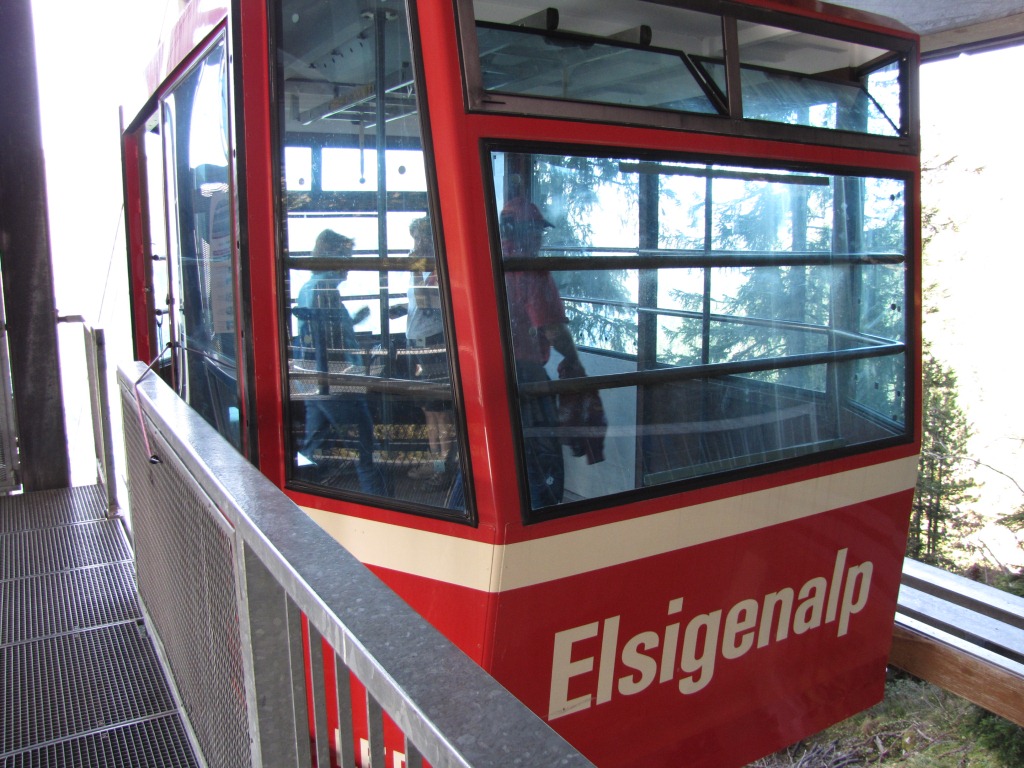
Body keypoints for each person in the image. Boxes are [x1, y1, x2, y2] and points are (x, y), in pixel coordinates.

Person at [501, 197, 605, 509]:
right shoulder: (530, 271)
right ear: (518, 231)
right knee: (541, 461)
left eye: (540, 231)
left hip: (488, 375)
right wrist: (574, 359)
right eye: (534, 231)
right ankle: (541, 522)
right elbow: (551, 328)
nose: (540, 238)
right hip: (527, 376)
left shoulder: (486, 263)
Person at [295, 229, 385, 495]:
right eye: (346, 257)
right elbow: (329, 344)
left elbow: (317, 334)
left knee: (311, 447)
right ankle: (377, 501)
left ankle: (300, 494)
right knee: (366, 451)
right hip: (336, 383)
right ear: (331, 257)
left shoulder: (308, 287)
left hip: (314, 380)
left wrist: (352, 321)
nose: (349, 265)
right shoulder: (325, 290)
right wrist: (348, 381)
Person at [403, 217, 455, 486]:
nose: (416, 244)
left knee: (440, 412)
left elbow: (425, 300)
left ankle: (443, 468)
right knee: (428, 411)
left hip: (434, 344)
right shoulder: (423, 268)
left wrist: (414, 268)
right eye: (414, 238)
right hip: (418, 343)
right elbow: (416, 303)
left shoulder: (437, 268)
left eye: (420, 238)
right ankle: (435, 462)